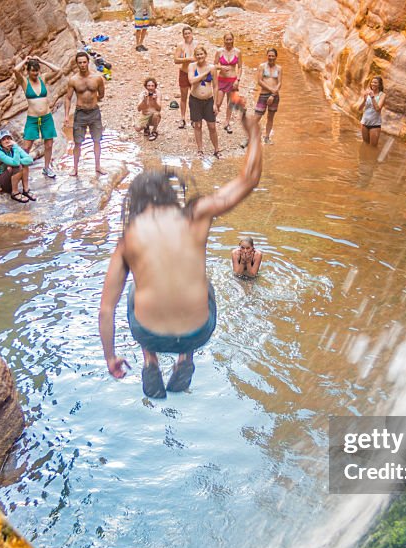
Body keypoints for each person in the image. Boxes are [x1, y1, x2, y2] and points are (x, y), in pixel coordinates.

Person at [99, 112, 264, 398]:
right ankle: (185, 356)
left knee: (135, 287)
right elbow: (249, 180)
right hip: (198, 331)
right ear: (170, 195)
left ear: (136, 203)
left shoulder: (128, 240)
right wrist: (254, 134)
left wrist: (111, 358)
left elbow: (105, 310)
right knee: (204, 281)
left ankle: (150, 357)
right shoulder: (196, 215)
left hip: (148, 333)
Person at [13, 55, 61, 178]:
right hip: (32, 118)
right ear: (28, 71)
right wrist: (25, 61)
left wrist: (41, 61)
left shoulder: (43, 78)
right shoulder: (24, 82)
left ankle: (46, 167)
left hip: (46, 117)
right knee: (27, 146)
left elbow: (58, 70)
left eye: (37, 70)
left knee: (49, 144)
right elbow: (15, 70)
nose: (35, 73)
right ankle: (22, 169)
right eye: (32, 71)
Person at [64, 51, 106, 176]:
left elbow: (102, 94)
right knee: (77, 142)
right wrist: (66, 116)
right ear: (77, 64)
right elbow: (68, 98)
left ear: (88, 62)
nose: (82, 65)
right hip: (80, 113)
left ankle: (98, 166)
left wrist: (94, 101)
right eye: (80, 63)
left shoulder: (97, 78)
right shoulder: (73, 80)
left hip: (94, 112)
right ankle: (75, 168)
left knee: (97, 140)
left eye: (84, 62)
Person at [188, 46, 221, 158]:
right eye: (197, 55)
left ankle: (217, 150)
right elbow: (192, 80)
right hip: (195, 100)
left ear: (205, 54)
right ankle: (200, 150)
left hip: (209, 100)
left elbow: (216, 86)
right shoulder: (192, 66)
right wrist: (204, 74)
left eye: (201, 54)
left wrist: (216, 104)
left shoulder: (212, 68)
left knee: (212, 126)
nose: (199, 56)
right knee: (197, 125)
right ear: (195, 56)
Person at [0, 129, 36, 202]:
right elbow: (16, 163)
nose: (7, 141)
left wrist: (16, 149)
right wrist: (15, 148)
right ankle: (15, 193)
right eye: (3, 139)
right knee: (18, 167)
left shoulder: (14, 147)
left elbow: (30, 159)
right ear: (0, 142)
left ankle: (26, 190)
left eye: (8, 138)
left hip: (9, 175)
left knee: (24, 164)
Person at [214, 33, 242, 134]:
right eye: (227, 40)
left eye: (230, 39)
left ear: (233, 39)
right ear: (224, 40)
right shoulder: (219, 51)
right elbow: (214, 65)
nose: (229, 42)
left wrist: (237, 80)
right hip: (221, 80)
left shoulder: (238, 52)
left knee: (230, 103)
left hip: (233, 80)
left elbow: (240, 67)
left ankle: (227, 122)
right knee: (218, 103)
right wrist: (221, 67)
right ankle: (212, 121)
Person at [253, 47, 281, 145]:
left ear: (276, 57)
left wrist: (273, 94)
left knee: (270, 117)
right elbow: (259, 81)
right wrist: (271, 90)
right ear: (267, 56)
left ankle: (267, 137)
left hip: (275, 96)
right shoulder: (262, 66)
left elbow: (279, 83)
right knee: (257, 117)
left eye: (273, 56)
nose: (271, 57)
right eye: (269, 55)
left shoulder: (279, 68)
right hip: (264, 95)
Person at [173, 26, 196, 129]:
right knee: (183, 97)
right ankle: (182, 118)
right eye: (185, 33)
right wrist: (188, 59)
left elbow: (201, 57)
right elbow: (176, 60)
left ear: (192, 33)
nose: (187, 35)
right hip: (184, 72)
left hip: (195, 73)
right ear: (183, 35)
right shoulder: (180, 45)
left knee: (194, 96)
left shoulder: (197, 44)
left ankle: (194, 118)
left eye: (188, 33)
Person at [358, 76, 385, 147]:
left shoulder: (382, 95)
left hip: (375, 125)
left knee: (373, 148)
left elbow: (378, 109)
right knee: (365, 145)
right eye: (372, 82)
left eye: (375, 82)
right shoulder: (367, 93)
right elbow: (359, 109)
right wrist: (364, 100)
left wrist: (372, 97)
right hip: (364, 123)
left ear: (379, 84)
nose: (373, 84)